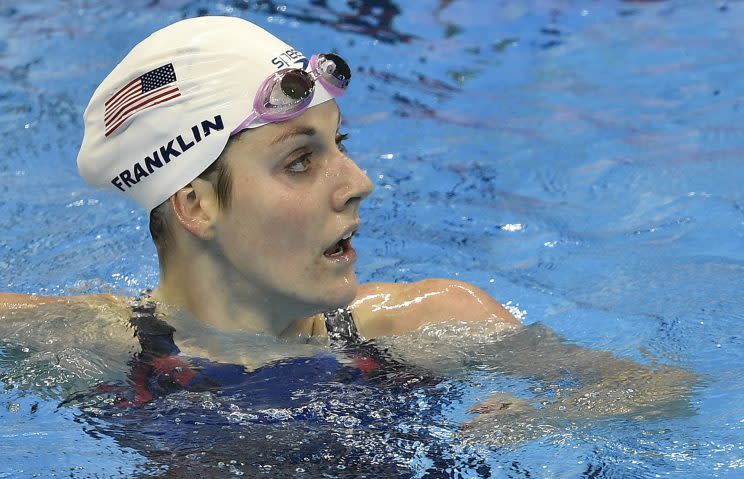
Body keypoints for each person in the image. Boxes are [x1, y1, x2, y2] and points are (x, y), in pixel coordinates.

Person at [0, 16, 691, 423]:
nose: (359, 183)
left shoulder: (433, 322)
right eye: (301, 161)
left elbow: (663, 390)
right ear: (196, 205)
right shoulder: (96, 343)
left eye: (343, 147)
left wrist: (541, 416)